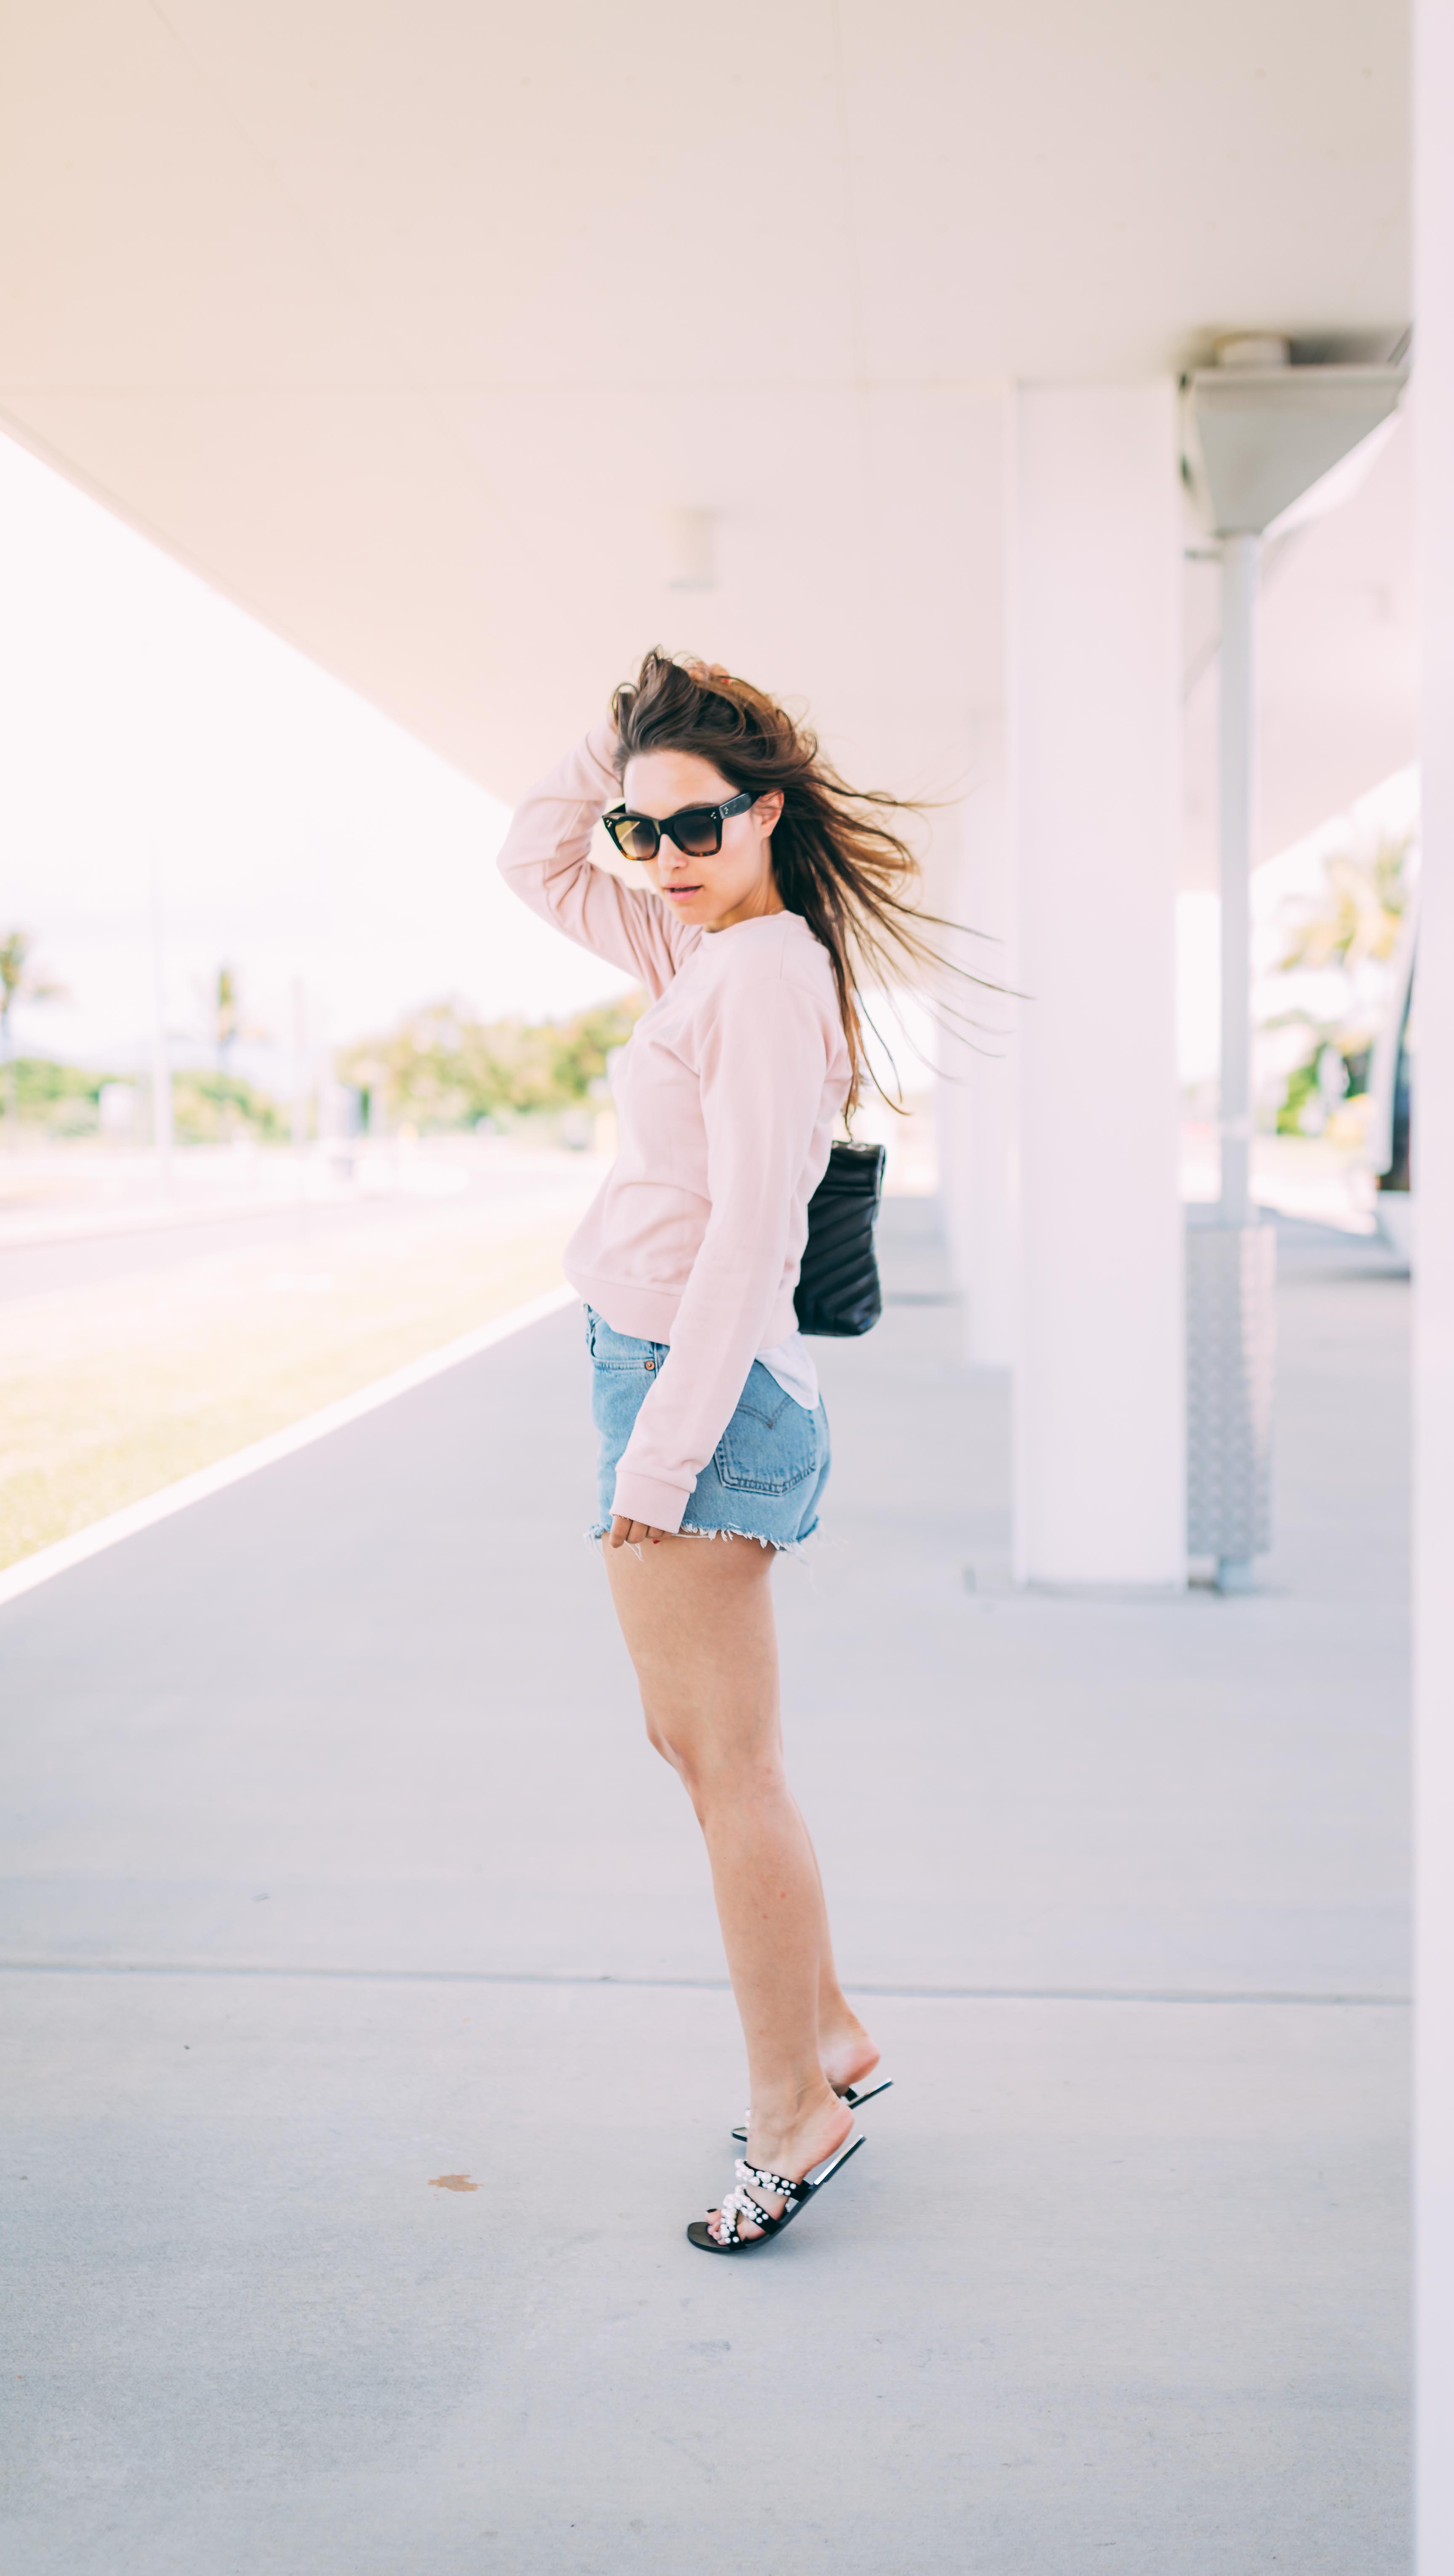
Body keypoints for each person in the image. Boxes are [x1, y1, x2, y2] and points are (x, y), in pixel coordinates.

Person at [498, 650, 961, 2254]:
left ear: (764, 815)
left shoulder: (761, 975)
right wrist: (613, 749)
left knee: (733, 1767)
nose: (662, 860)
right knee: (692, 1748)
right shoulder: (697, 946)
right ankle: (825, 2031)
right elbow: (529, 859)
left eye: (697, 828)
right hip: (653, 1379)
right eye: (643, 832)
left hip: (692, 1401)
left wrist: (656, 1465)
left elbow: (753, 1240)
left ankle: (794, 2107)